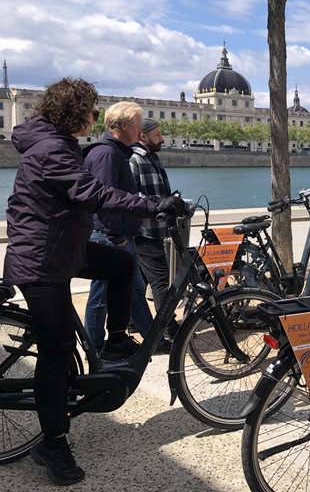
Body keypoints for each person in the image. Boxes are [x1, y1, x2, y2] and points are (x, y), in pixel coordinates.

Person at [3, 77, 184, 485]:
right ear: (75, 113)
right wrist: (154, 206)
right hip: (42, 261)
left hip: (63, 250)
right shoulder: (52, 149)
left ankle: (116, 337)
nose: (92, 116)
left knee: (120, 266)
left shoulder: (55, 143)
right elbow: (96, 194)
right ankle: (52, 445)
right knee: (56, 351)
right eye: (89, 109)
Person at [83, 103, 172, 356]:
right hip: (109, 237)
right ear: (124, 126)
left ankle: (152, 340)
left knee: (133, 292)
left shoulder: (114, 153)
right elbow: (104, 201)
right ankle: (95, 347)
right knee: (100, 296)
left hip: (120, 236)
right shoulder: (107, 155)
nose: (140, 130)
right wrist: (118, 238)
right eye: (137, 124)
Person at [130, 118, 180, 338]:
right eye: (158, 134)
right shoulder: (134, 160)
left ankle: (134, 323)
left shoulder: (152, 157)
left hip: (154, 228)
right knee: (160, 281)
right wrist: (159, 203)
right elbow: (129, 196)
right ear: (143, 136)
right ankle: (168, 328)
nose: (162, 138)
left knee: (137, 281)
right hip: (144, 231)